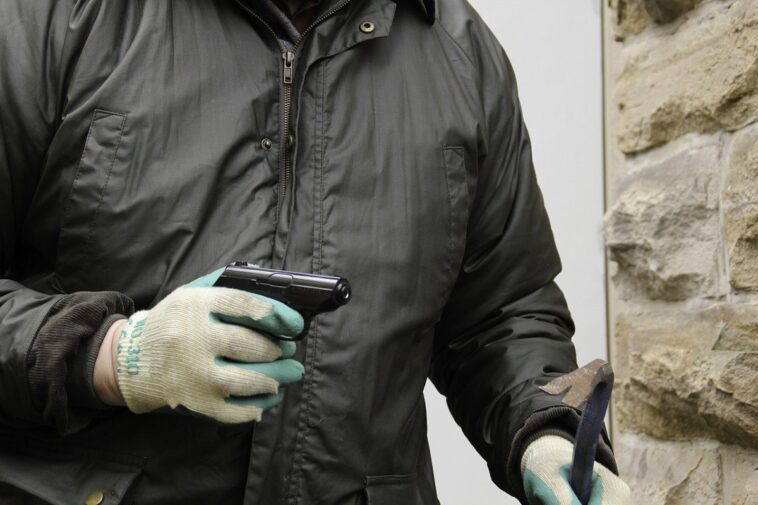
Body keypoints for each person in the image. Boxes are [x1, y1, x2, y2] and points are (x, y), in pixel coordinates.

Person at [0, 0, 631, 503]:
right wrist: (114, 357)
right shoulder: (54, 17)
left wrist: (544, 431)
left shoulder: (462, 52)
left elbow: (504, 313)